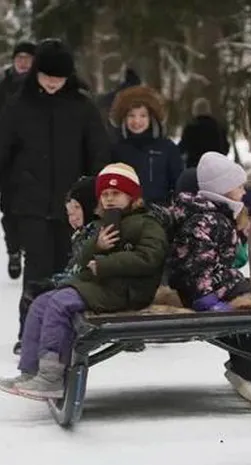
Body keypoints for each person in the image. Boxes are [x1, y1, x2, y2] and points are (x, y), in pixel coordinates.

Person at [0, 163, 168, 399]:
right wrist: (96, 246)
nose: (109, 199)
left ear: (132, 196)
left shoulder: (147, 223)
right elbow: (81, 260)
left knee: (60, 304)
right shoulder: (104, 223)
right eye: (105, 194)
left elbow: (149, 258)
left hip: (129, 291)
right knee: (40, 304)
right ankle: (30, 371)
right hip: (104, 286)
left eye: (116, 194)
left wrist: (105, 264)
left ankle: (51, 377)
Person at [0, 38, 110, 354]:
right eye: (46, 76)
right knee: (36, 272)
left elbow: (98, 154)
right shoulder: (18, 105)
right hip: (29, 204)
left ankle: (69, 331)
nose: (51, 83)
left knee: (71, 271)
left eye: (58, 78)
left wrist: (89, 195)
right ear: (36, 72)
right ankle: (29, 334)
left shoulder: (82, 106)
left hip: (72, 205)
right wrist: (9, 193)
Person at [164, 151, 251, 406]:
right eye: (239, 186)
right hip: (204, 292)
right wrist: (207, 298)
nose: (243, 192)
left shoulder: (219, 215)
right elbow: (197, 265)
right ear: (223, 188)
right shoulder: (207, 220)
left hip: (218, 283)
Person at [109, 84, 183, 206]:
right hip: (125, 215)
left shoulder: (167, 148)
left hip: (160, 215)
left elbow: (178, 184)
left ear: (151, 118)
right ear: (124, 118)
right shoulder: (116, 150)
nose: (137, 121)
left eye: (142, 115)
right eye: (131, 115)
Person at [0, 40, 35, 280]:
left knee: (33, 209)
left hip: (33, 157)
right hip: (7, 158)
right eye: (19, 57)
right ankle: (13, 250)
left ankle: (31, 251)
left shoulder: (40, 87)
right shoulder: (3, 86)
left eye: (27, 58)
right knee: (10, 210)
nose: (23, 62)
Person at [178, 97, 229, 168]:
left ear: (195, 110)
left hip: (196, 168)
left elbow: (182, 148)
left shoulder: (190, 128)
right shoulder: (218, 127)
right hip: (216, 168)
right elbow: (225, 148)